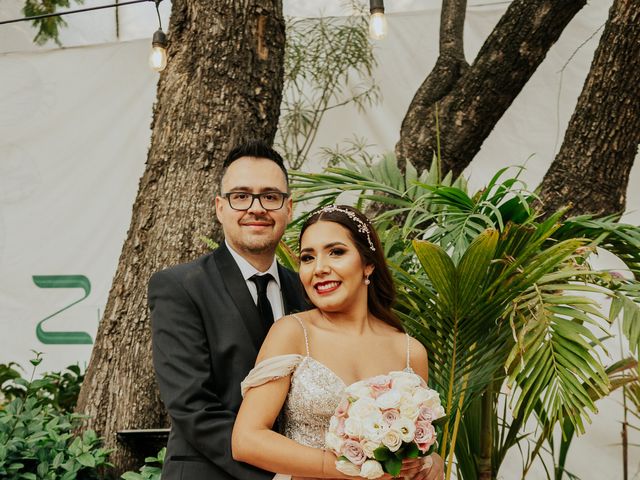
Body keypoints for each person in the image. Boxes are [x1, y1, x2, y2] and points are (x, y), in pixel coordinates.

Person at [232, 205, 445, 480]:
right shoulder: (293, 333)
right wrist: (350, 469)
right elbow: (247, 440)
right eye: (308, 258)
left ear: (368, 264)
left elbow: (415, 447)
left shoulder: (409, 351)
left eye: (336, 252)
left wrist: (431, 460)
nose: (319, 268)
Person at [149, 140, 309, 480]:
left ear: (289, 208)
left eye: (270, 196)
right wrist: (283, 473)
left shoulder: (307, 291)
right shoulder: (180, 287)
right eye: (241, 196)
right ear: (220, 207)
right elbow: (193, 407)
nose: (256, 208)